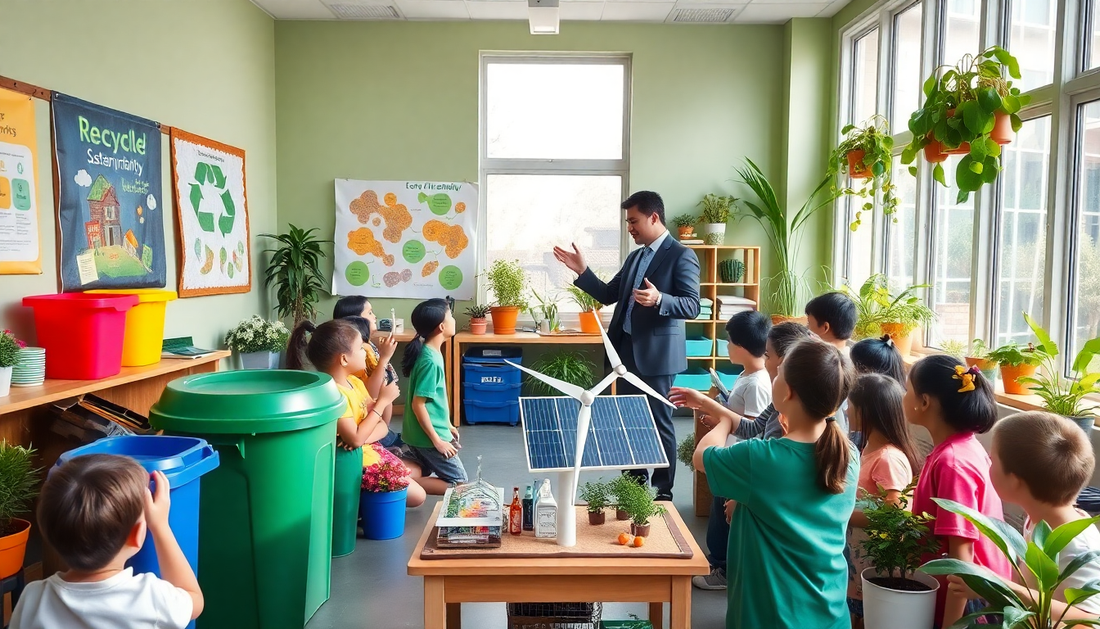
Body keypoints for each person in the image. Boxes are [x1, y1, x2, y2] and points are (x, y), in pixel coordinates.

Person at [677, 338, 858, 629]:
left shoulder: (760, 459)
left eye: (778, 373)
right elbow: (795, 503)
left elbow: (702, 457)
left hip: (770, 614)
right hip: (829, 612)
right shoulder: (848, 454)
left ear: (787, 392)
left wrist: (722, 423)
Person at [553, 190, 701, 500]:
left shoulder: (681, 255)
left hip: (658, 357)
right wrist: (582, 270)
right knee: (628, 422)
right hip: (626, 353)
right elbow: (608, 294)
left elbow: (691, 305)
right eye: (627, 222)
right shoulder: (636, 256)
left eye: (634, 221)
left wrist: (660, 299)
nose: (630, 228)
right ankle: (634, 489)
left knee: (659, 423)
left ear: (654, 217)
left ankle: (662, 492)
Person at [10, 455, 203, 629]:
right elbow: (193, 600)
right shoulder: (150, 599)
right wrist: (160, 526)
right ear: (137, 535)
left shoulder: (33, 599)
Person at [948, 411, 1100, 621]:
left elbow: (1091, 619)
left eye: (992, 460)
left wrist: (996, 586)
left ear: (1014, 481)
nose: (988, 464)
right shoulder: (1039, 519)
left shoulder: (1076, 544)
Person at [905, 355, 1013, 628]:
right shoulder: (959, 448)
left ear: (924, 402)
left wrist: (951, 625)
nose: (903, 398)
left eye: (907, 391)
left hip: (972, 607)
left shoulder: (953, 462)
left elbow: (961, 561)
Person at [288, 319, 426, 510]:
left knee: (415, 483)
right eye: (361, 348)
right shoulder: (332, 394)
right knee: (418, 496)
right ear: (344, 359)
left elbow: (382, 427)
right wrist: (383, 403)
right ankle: (356, 505)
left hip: (369, 451)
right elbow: (358, 436)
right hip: (356, 464)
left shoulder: (355, 382)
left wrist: (361, 438)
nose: (366, 351)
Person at [845, 373, 920, 626]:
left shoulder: (888, 458)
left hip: (877, 568)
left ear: (866, 412)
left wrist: (842, 514)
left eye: (850, 405)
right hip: (858, 562)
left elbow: (896, 513)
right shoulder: (868, 449)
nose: (846, 410)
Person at [401, 298, 466, 494]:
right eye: (451, 316)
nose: (454, 320)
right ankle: (403, 485)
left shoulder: (431, 352)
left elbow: (436, 399)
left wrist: (447, 424)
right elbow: (418, 404)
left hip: (420, 434)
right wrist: (438, 441)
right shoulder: (431, 361)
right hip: (428, 438)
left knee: (425, 468)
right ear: (441, 326)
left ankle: (406, 478)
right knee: (460, 483)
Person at [333, 296, 402, 448]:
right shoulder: (356, 354)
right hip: (370, 430)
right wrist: (384, 358)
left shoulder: (367, 345)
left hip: (378, 427)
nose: (374, 316)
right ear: (355, 320)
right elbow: (371, 393)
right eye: (370, 313)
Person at [805, 291, 858, 435]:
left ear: (825, 328)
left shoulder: (823, 363)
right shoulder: (852, 355)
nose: (807, 330)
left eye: (809, 324)